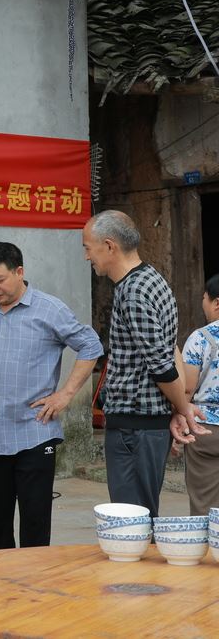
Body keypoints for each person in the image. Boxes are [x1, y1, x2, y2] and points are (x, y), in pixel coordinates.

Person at [0, 242, 103, 550]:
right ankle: (0, 578)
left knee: (35, 522)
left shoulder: (49, 309)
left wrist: (66, 394)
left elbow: (90, 345)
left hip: (36, 432)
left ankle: (34, 580)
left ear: (19, 272)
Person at [82, 210, 205, 518]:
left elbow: (161, 365)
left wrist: (183, 409)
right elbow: (169, 348)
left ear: (109, 246)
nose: (87, 257)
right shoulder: (153, 279)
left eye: (88, 248)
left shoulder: (133, 292)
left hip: (134, 428)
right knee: (141, 515)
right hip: (144, 425)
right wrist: (176, 408)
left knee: (131, 520)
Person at [180, 274, 219, 515]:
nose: (202, 304)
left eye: (204, 298)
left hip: (206, 428)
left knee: (204, 504)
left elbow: (186, 388)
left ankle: (208, 539)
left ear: (216, 303)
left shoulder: (200, 338)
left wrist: (180, 420)